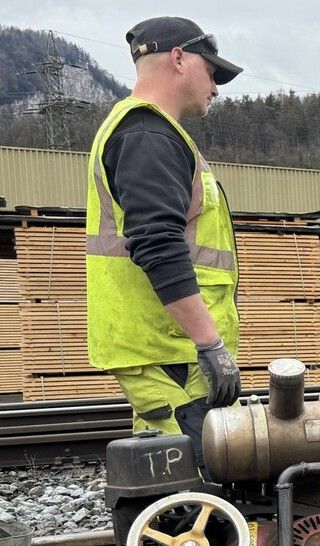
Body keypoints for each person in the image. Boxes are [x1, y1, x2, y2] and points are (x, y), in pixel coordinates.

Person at [85, 17, 243, 471]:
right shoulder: (147, 135)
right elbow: (157, 245)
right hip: (175, 355)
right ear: (178, 58)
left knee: (171, 484)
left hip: (170, 351)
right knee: (203, 488)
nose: (215, 86)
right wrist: (209, 344)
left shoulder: (148, 133)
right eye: (212, 72)